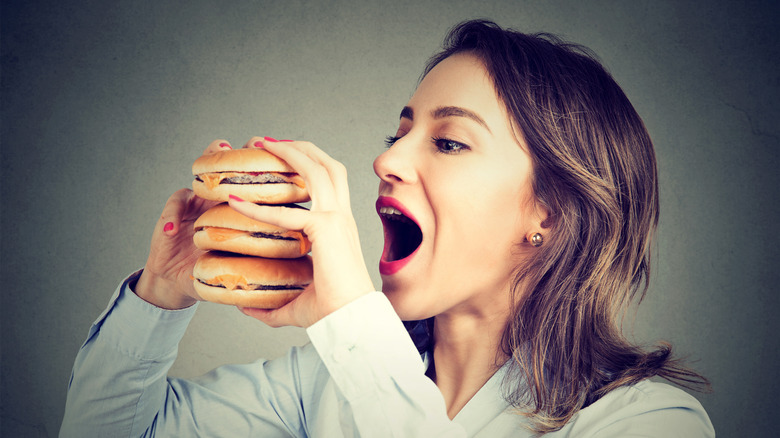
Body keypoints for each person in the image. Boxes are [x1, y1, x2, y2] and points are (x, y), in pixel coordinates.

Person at [60, 20, 714, 437]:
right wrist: (159, 294)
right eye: (396, 135)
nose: (385, 161)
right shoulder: (322, 384)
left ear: (550, 212)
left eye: (450, 142)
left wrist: (350, 316)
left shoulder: (650, 422)